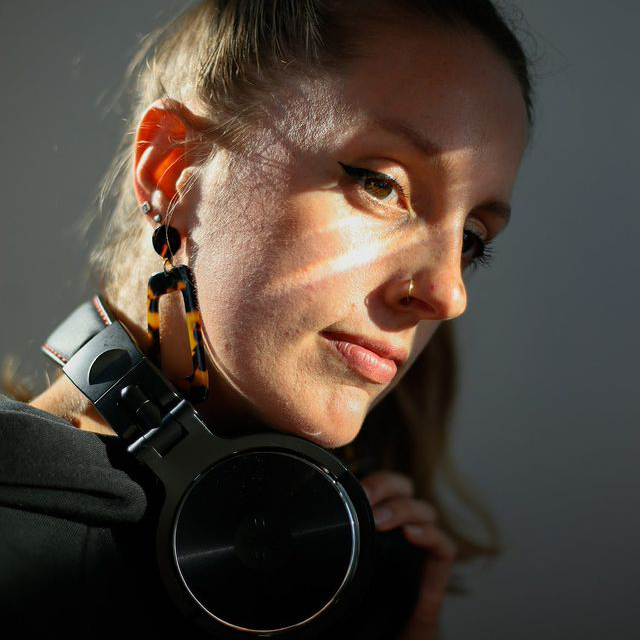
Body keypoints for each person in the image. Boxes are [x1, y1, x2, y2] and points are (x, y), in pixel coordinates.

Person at [0, 0, 534, 638]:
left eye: (472, 239)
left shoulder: (358, 583)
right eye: (380, 183)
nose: (449, 293)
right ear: (171, 167)